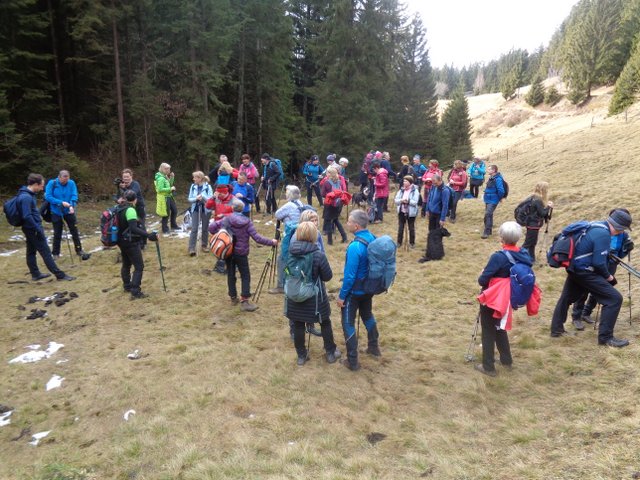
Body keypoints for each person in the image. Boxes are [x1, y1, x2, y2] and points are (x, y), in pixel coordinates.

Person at [550, 209, 632, 347]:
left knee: (566, 298)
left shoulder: (595, 225)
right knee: (614, 299)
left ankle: (556, 330)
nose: (622, 232)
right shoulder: (604, 234)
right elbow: (599, 263)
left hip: (574, 268)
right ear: (619, 227)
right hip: (585, 272)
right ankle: (606, 338)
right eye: (623, 229)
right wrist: (609, 277)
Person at [475, 221, 533, 376]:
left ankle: (488, 367)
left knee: (488, 329)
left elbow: (482, 280)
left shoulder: (498, 257)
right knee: (499, 327)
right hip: (509, 297)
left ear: (502, 237)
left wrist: (482, 273)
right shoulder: (524, 254)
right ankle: (506, 361)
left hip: (494, 297)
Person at [286, 221, 341, 366]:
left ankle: (301, 356)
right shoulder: (318, 255)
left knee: (298, 324)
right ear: (313, 235)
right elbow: (327, 276)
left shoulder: (290, 252)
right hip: (315, 299)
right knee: (325, 322)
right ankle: (330, 352)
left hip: (294, 295)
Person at [209, 199, 278, 312]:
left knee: (231, 274)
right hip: (241, 252)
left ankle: (233, 297)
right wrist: (271, 242)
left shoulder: (226, 219)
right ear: (242, 209)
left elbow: (211, 227)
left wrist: (221, 233)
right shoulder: (247, 222)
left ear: (232, 208)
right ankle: (244, 300)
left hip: (228, 251)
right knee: (245, 275)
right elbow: (257, 238)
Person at [571, 209, 634, 330]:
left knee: (601, 290)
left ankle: (587, 312)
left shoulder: (623, 235)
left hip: (611, 263)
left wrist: (626, 250)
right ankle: (576, 316)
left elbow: (621, 253)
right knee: (584, 288)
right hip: (596, 260)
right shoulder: (603, 230)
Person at [337, 209, 382, 371]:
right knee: (367, 315)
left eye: (349, 221)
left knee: (347, 322)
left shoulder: (355, 246)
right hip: (369, 289)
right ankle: (373, 347)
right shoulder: (372, 238)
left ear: (356, 226)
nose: (347, 223)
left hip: (354, 293)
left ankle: (352, 361)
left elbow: (349, 277)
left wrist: (342, 296)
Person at [15, 173, 75, 282]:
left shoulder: (26, 194)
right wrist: (37, 228)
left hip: (29, 228)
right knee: (46, 252)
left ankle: (35, 274)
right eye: (41, 186)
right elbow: (27, 216)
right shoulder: (26, 197)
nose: (42, 188)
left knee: (31, 251)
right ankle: (60, 275)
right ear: (35, 184)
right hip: (33, 229)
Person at [116, 190, 158, 299]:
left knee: (126, 263)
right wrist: (148, 235)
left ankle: (127, 286)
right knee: (139, 266)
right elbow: (133, 228)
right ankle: (135, 291)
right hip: (130, 241)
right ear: (135, 200)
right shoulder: (130, 210)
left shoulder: (119, 207)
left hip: (120, 241)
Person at [270, 185, 309, 295]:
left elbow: (277, 214)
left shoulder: (289, 205)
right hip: (301, 234)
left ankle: (281, 285)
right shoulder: (301, 204)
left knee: (282, 259)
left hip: (290, 236)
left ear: (289, 195)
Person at [44, 170, 89, 259]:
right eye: (63, 180)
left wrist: (71, 205)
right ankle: (55, 253)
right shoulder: (52, 183)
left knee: (74, 230)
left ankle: (79, 250)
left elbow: (74, 195)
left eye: (67, 180)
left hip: (69, 211)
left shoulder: (71, 183)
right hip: (56, 211)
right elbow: (48, 196)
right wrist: (61, 202)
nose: (65, 182)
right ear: (59, 177)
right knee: (57, 232)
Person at [519, 181, 553, 263]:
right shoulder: (538, 200)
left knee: (532, 243)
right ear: (543, 189)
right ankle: (517, 257)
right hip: (533, 225)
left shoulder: (532, 197)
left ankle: (532, 259)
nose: (547, 191)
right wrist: (549, 207)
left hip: (531, 224)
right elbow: (542, 213)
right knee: (528, 243)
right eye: (546, 189)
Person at [205, 183, 236, 274]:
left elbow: (237, 213)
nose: (219, 196)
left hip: (230, 225)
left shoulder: (233, 200)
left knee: (229, 245)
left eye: (220, 194)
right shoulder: (216, 198)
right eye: (217, 193)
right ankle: (220, 266)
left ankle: (232, 266)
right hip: (218, 225)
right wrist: (213, 198)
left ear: (225, 192)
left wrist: (224, 215)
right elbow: (208, 206)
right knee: (219, 244)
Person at [187, 171, 213, 256]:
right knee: (194, 228)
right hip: (195, 209)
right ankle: (191, 248)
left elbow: (211, 199)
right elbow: (189, 199)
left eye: (195, 177)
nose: (193, 179)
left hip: (206, 210)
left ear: (200, 178)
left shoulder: (208, 187)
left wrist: (203, 196)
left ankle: (204, 245)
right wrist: (196, 198)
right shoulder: (193, 186)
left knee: (205, 228)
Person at [321, 166, 348, 245]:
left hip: (329, 204)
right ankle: (344, 237)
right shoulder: (340, 182)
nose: (326, 174)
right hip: (338, 204)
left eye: (327, 172)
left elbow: (323, 194)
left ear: (330, 174)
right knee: (336, 220)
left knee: (328, 221)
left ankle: (330, 241)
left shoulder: (327, 183)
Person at [394, 175, 420, 249]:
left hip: (411, 213)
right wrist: (401, 200)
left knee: (411, 228)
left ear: (410, 182)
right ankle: (399, 242)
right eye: (403, 181)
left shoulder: (415, 191)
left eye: (405, 181)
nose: (404, 182)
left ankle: (412, 243)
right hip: (401, 212)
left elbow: (415, 202)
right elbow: (396, 200)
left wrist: (408, 201)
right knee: (400, 228)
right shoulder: (401, 190)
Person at [481, 165, 505, 239]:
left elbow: (501, 190)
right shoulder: (491, 178)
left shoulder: (498, 179)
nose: (487, 171)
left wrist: (499, 198)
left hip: (493, 199)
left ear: (494, 170)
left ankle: (486, 232)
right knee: (489, 214)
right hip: (488, 199)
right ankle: (489, 231)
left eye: (489, 169)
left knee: (487, 214)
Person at [155, 163, 178, 234]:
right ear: (163, 169)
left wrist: (172, 178)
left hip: (169, 196)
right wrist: (170, 189)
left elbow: (169, 184)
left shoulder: (164, 176)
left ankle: (173, 225)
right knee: (166, 213)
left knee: (174, 210)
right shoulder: (160, 178)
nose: (169, 170)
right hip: (164, 197)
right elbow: (159, 189)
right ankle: (165, 229)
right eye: (167, 169)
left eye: (169, 169)